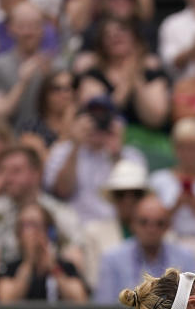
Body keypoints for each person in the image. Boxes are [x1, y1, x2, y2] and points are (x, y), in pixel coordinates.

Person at [0, 145, 81, 279]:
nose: (8, 178)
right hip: (6, 285)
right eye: (3, 171)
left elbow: (75, 266)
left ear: (36, 173)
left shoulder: (61, 213)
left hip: (53, 283)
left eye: (16, 171)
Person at [43, 95, 146, 223]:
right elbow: (62, 191)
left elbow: (133, 198)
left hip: (116, 226)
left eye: (104, 118)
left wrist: (116, 154)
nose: (97, 124)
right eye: (93, 118)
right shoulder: (62, 151)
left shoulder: (131, 156)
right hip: (76, 228)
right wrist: (75, 147)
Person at [93, 193, 195, 304]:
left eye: (159, 223)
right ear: (132, 224)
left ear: (168, 226)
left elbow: (193, 304)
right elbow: (104, 307)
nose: (151, 229)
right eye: (144, 222)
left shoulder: (186, 257)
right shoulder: (111, 259)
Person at [74, 16, 170, 131]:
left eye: (122, 30)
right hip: (105, 139)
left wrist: (137, 78)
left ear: (135, 37)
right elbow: (99, 116)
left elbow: (155, 118)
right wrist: (128, 79)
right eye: (107, 34)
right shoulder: (93, 75)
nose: (115, 36)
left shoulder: (152, 71)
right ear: (101, 43)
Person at [0, 0, 66, 127]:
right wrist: (22, 82)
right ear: (10, 28)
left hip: (50, 137)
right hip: (12, 139)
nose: (29, 32)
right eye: (22, 26)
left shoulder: (57, 66)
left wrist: (50, 80)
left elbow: (67, 111)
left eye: (35, 26)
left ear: (43, 29)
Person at [0, 202, 88, 304]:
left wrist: (53, 268)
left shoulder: (65, 267)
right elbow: (6, 301)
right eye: (23, 226)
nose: (30, 232)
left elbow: (79, 299)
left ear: (48, 230)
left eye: (33, 224)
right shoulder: (9, 269)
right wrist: (29, 262)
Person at [80, 157, 147, 292]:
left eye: (136, 194)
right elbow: (95, 281)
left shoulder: (162, 232)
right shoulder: (93, 232)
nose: (129, 200)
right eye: (121, 194)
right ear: (113, 198)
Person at [17, 68, 75, 147]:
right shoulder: (32, 129)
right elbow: (51, 159)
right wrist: (67, 122)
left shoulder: (83, 123)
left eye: (69, 88)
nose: (65, 94)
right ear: (45, 94)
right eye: (57, 89)